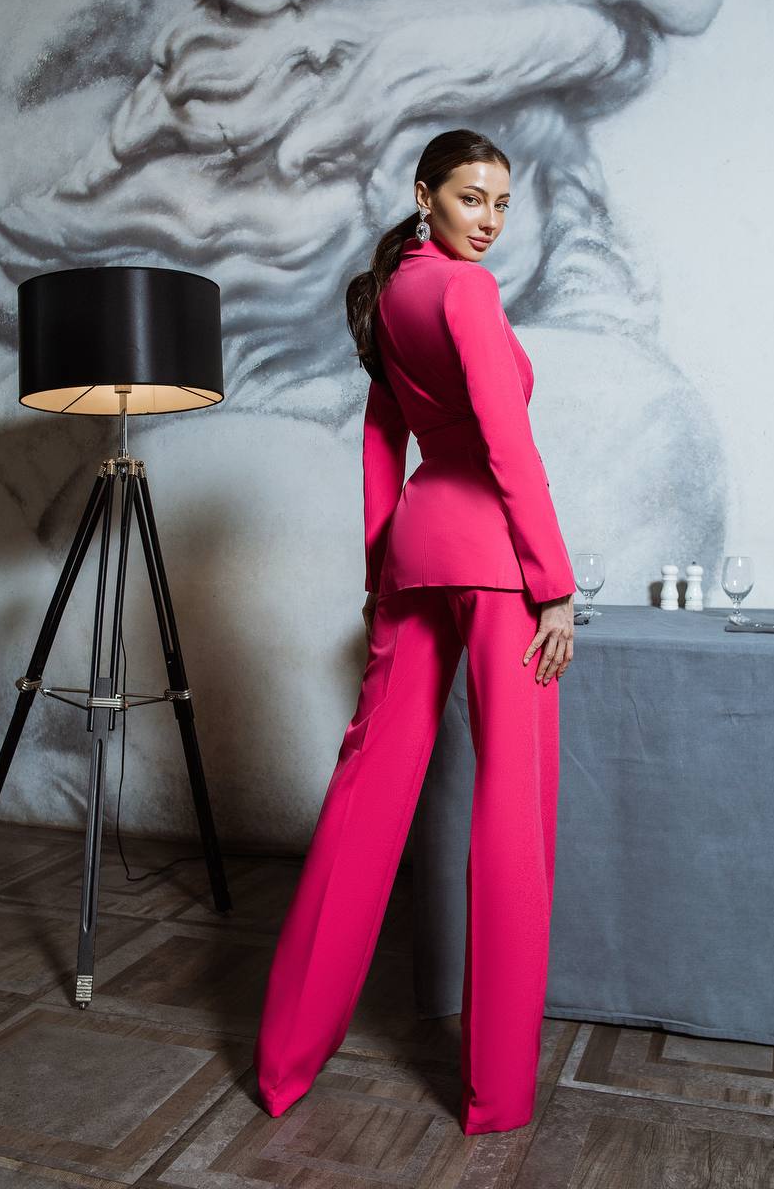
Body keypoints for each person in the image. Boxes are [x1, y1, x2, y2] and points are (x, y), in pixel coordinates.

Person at [253, 128, 575, 1136]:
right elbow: (505, 440)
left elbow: (381, 440)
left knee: (361, 799)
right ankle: (495, 1094)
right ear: (424, 193)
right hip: (494, 563)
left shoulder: (390, 294)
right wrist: (552, 584)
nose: (487, 219)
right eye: (471, 198)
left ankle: (282, 1062)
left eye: (501, 203)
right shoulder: (466, 295)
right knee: (510, 812)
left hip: (413, 555)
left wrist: (376, 572)